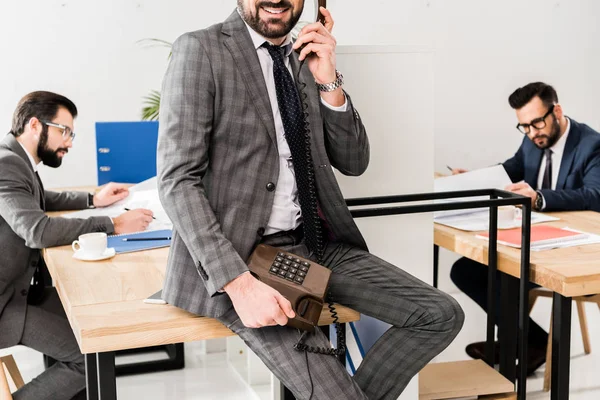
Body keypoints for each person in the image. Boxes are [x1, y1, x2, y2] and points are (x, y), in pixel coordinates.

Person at [157, 2, 464, 399]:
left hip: (315, 246)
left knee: (439, 315)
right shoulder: (201, 50)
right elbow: (178, 180)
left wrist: (328, 80)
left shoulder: (306, 56)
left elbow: (354, 161)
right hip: (247, 262)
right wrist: (239, 284)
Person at [0, 91, 154, 400]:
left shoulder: (17, 159)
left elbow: (40, 202)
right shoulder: (7, 164)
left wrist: (92, 200)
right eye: (65, 131)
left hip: (17, 291)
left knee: (88, 326)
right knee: (88, 358)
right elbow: (37, 230)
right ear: (34, 125)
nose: (69, 141)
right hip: (4, 304)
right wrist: (113, 224)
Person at [450, 81, 600, 375]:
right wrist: (475, 179)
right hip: (537, 239)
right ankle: (528, 342)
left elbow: (595, 194)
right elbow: (510, 170)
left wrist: (539, 198)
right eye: (524, 127)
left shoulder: (591, 145)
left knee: (503, 273)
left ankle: (519, 343)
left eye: (537, 123)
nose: (532, 133)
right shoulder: (532, 140)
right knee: (466, 271)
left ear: (556, 111)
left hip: (572, 249)